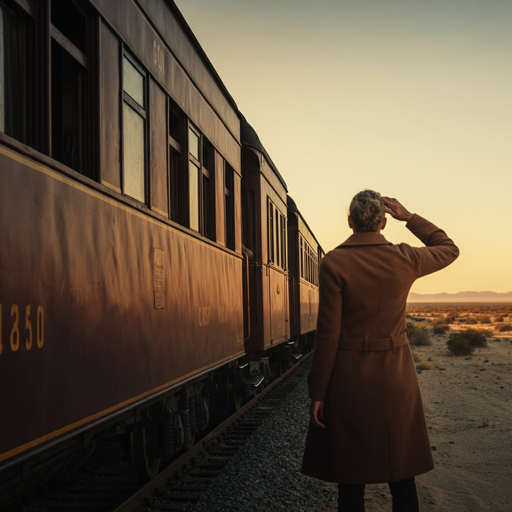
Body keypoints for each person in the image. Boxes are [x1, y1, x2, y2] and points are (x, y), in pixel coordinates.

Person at [301, 190, 459, 512]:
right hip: (396, 378)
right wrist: (410, 217)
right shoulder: (405, 258)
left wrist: (318, 392)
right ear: (385, 222)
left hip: (350, 381)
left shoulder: (333, 262)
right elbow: (449, 248)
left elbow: (328, 336)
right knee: (401, 474)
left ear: (349, 222)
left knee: (351, 476)